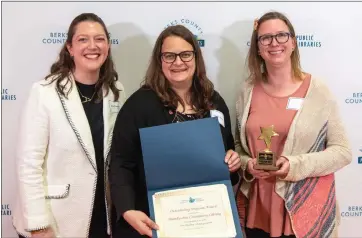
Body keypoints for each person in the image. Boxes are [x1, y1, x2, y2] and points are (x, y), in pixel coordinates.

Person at [109, 25, 241, 238]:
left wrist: (233, 162)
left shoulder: (214, 101)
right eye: (169, 56)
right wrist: (127, 209)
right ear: (159, 60)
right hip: (153, 221)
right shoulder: (139, 105)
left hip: (206, 220)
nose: (178, 62)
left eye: (185, 55)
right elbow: (121, 163)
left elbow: (227, 153)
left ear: (196, 58)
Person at [234, 11, 352, 238]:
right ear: (257, 47)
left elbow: (343, 152)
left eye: (281, 35)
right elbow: (239, 149)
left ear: (293, 42)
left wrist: (294, 165)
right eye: (266, 38)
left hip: (303, 208)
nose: (274, 43)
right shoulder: (247, 90)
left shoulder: (318, 90)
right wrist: (248, 165)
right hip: (257, 210)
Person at [12, 13, 125, 238]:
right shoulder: (44, 92)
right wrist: (39, 224)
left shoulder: (117, 92)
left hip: (102, 218)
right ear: (70, 48)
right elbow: (29, 164)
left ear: (108, 46)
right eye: (83, 39)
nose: (92, 46)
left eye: (99, 39)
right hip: (54, 222)